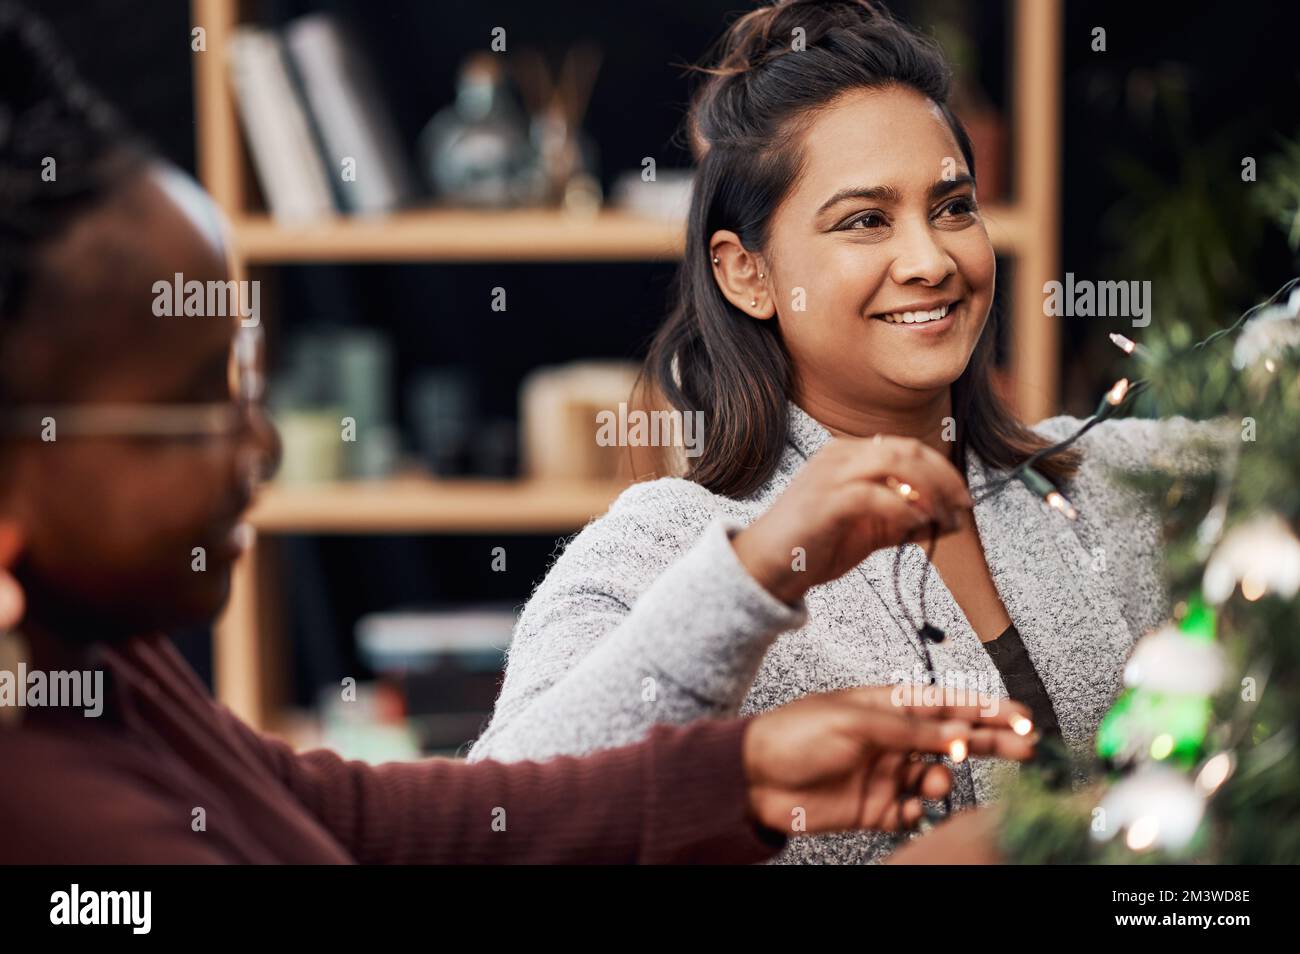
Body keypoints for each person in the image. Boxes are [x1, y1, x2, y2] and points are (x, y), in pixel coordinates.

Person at [0, 2, 1036, 865]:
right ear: (741, 270)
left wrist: (742, 778)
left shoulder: (100, 665)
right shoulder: (59, 823)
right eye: (195, 408)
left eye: (952, 207)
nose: (261, 447)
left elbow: (361, 821)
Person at [468, 0, 1216, 863]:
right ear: (746, 273)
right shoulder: (664, 548)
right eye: (865, 219)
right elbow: (505, 822)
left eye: (954, 207)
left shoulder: (1108, 479)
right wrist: (745, 585)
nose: (932, 259)